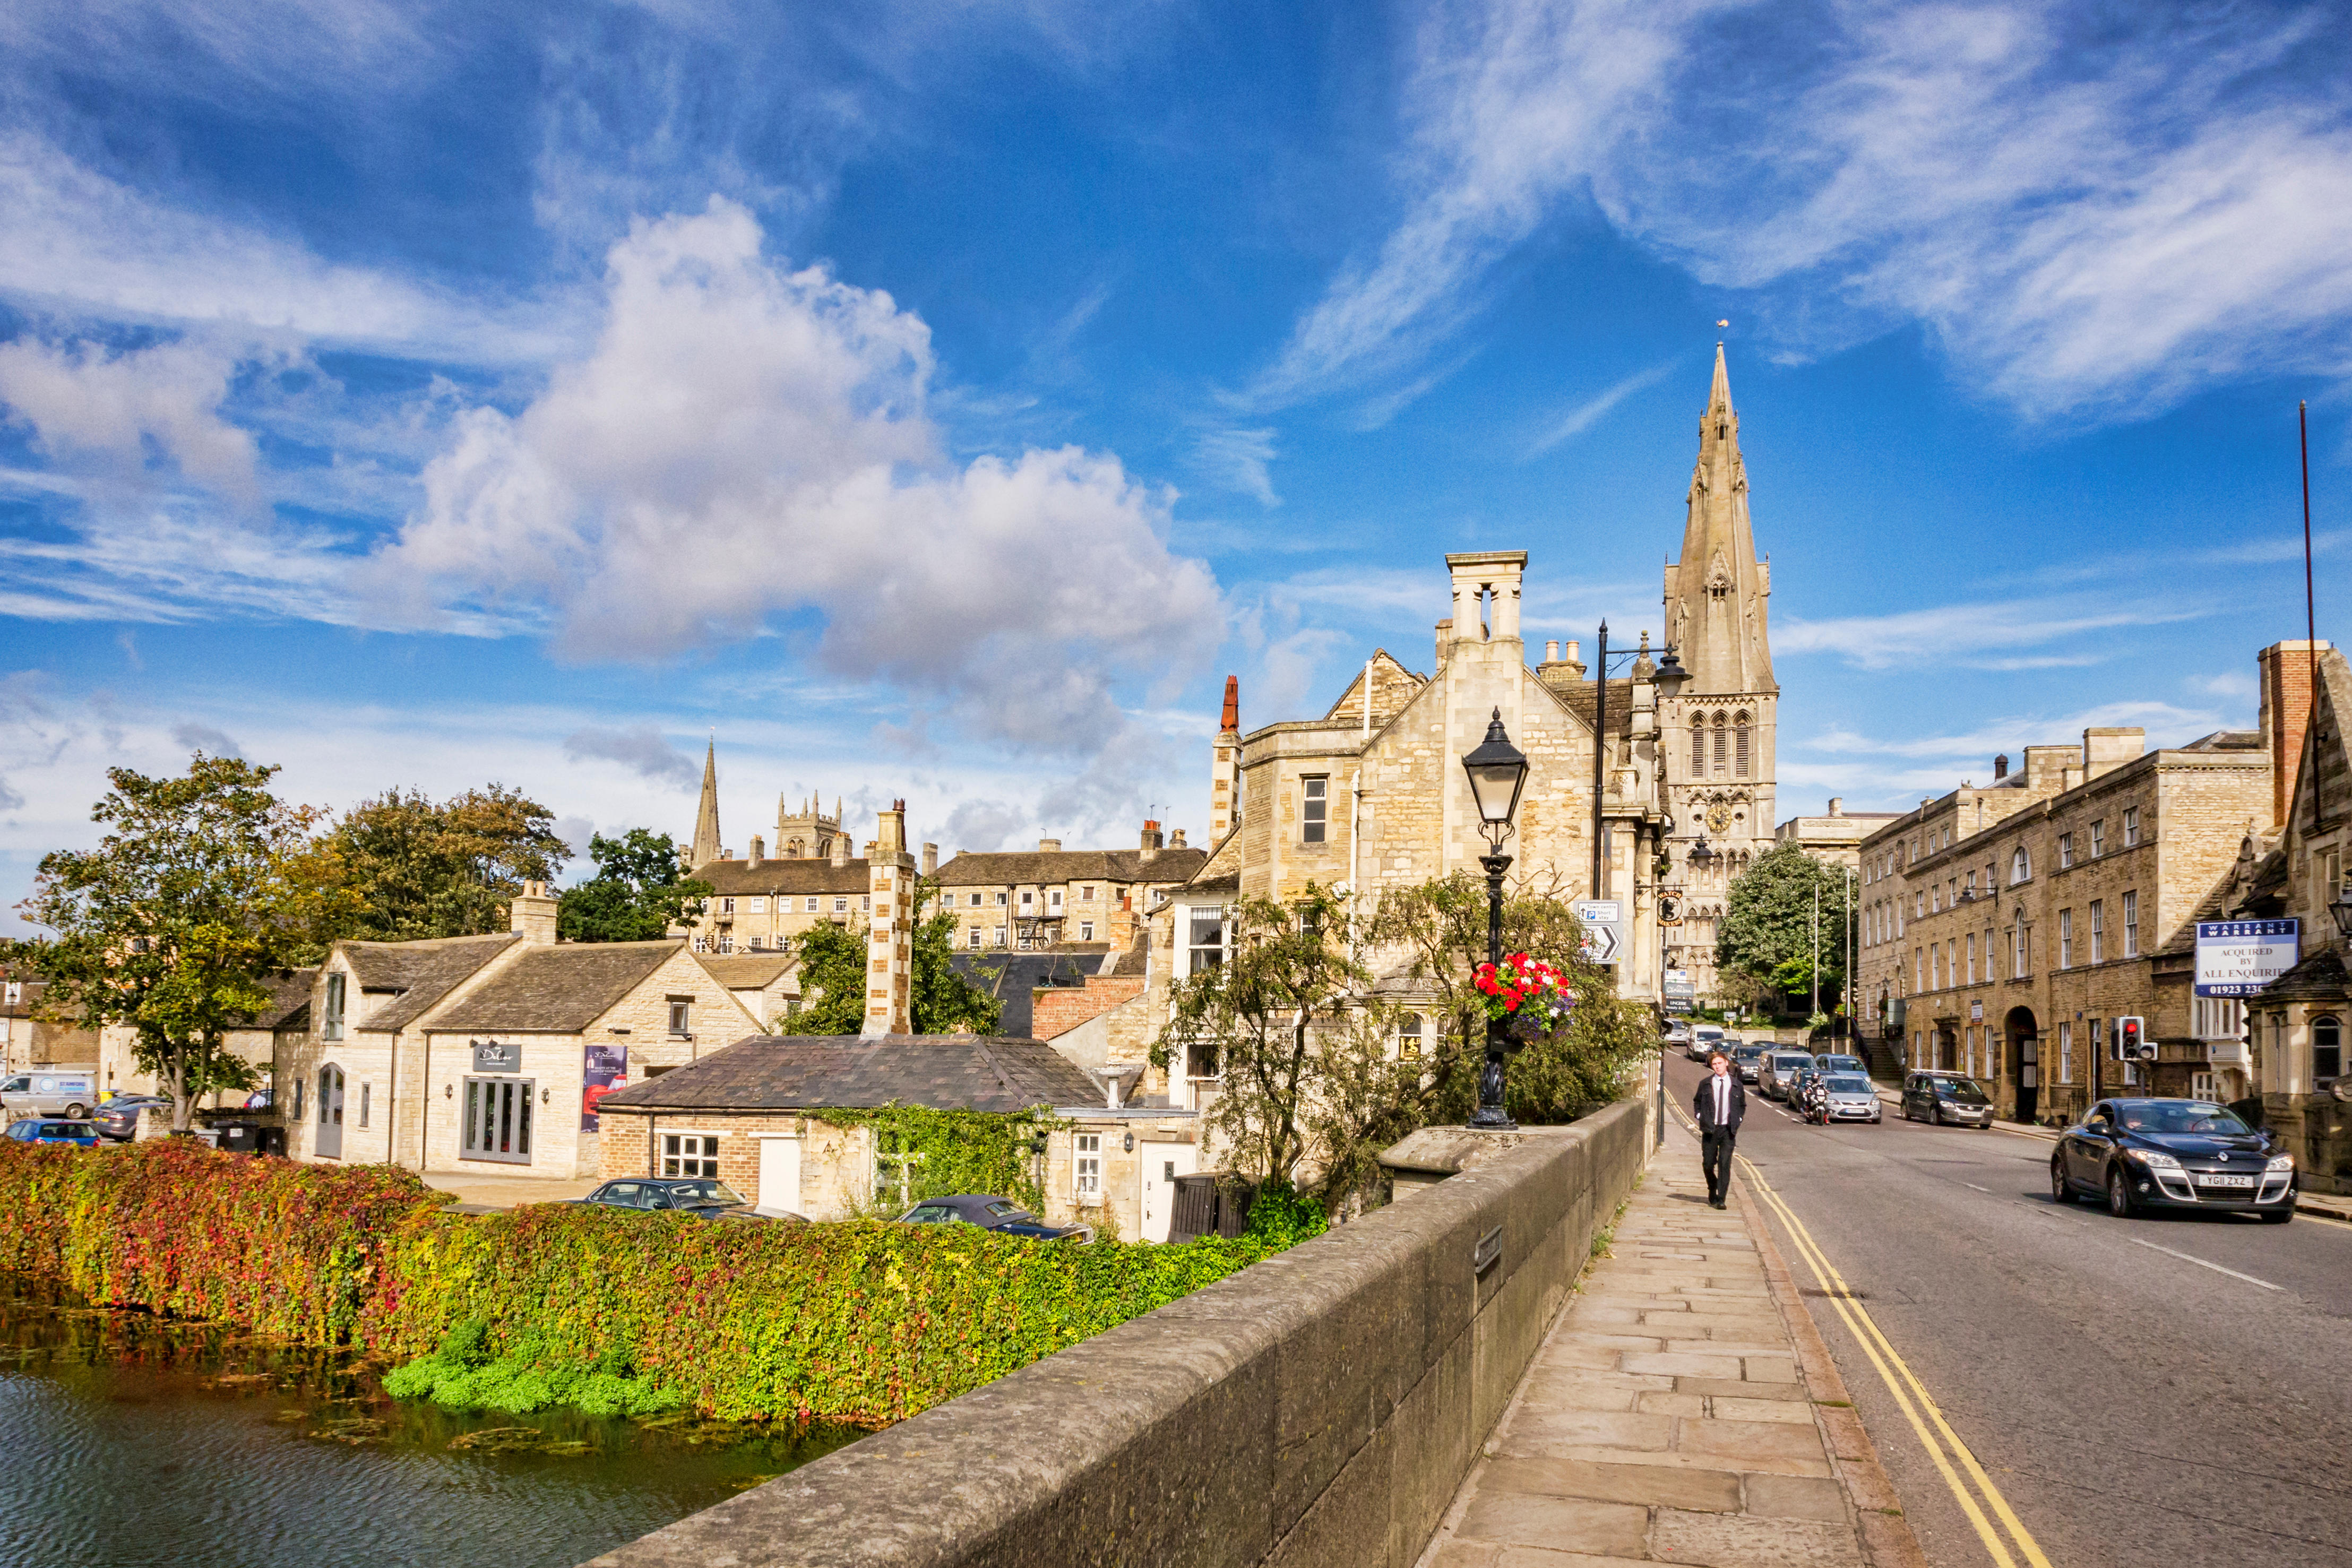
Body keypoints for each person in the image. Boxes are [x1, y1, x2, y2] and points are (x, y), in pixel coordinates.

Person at [1693, 1050, 1745, 1208]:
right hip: (1710, 1129)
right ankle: (1712, 1186)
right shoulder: (1706, 1083)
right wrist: (1700, 1115)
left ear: (1726, 1063)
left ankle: (1721, 1199)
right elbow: (1697, 1101)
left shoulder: (1737, 1085)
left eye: (1720, 1063)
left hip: (1728, 1131)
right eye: (1714, 1064)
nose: (1717, 1067)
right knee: (1708, 1164)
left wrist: (1739, 1119)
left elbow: (1742, 1105)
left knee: (1724, 1163)